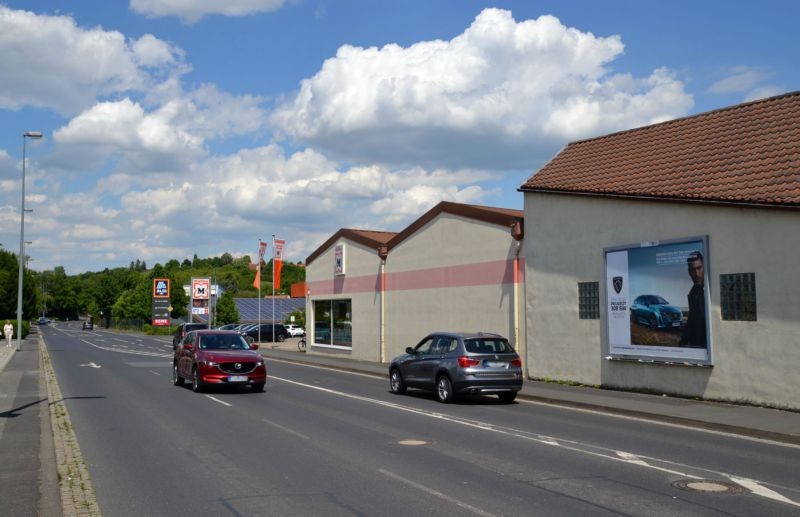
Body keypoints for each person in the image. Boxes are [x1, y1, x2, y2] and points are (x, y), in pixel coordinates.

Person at [680, 251, 707, 347]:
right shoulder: (693, 292)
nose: (696, 274)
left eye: (699, 268)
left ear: (705, 267)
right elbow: (691, 320)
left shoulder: (711, 289)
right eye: (693, 270)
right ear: (689, 272)